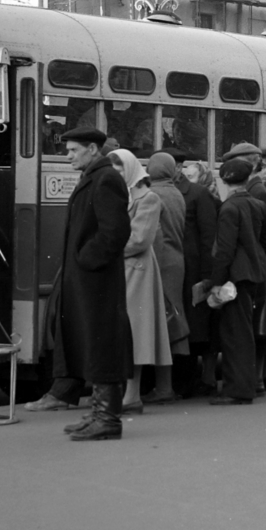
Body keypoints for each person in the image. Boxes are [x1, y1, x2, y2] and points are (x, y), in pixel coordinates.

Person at [53, 123, 134, 441]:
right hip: (90, 279)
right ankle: (100, 412)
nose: (68, 156)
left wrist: (87, 259)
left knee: (102, 344)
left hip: (97, 280)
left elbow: (115, 231)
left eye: (73, 150)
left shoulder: (106, 178)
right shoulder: (96, 176)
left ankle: (107, 418)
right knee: (94, 343)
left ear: (91, 148)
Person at [203, 155, 266, 404]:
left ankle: (238, 390)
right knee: (246, 331)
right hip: (255, 274)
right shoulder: (258, 204)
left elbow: (225, 250)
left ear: (224, 180)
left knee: (235, 334)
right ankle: (247, 384)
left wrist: (217, 281)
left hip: (234, 277)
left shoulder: (229, 208)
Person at [111, 150, 172, 414]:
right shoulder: (120, 196)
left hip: (137, 273)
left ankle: (131, 395)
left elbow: (139, 240)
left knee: (135, 336)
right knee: (123, 336)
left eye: (120, 167)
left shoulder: (149, 198)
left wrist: (106, 249)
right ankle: (123, 394)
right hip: (122, 272)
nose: (115, 173)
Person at [144, 153, 190, 398]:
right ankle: (165, 385)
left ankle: (163, 387)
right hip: (176, 261)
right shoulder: (176, 193)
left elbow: (156, 236)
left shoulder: (154, 195)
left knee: (160, 324)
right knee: (171, 318)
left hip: (160, 262)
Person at [177, 159, 220, 396]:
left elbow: (208, 239)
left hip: (202, 273)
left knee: (205, 327)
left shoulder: (204, 198)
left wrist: (207, 275)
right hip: (195, 271)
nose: (186, 180)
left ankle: (206, 376)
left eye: (191, 176)